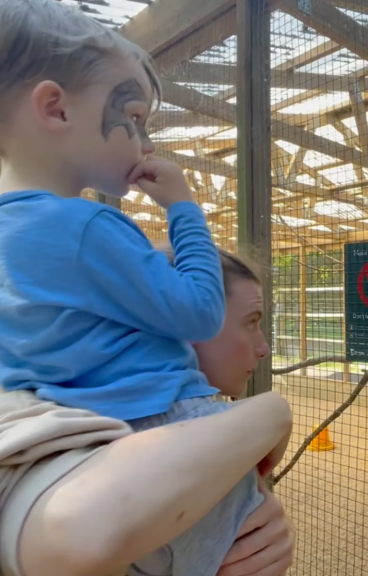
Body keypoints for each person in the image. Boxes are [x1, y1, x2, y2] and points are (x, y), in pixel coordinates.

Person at [0, 1, 291, 575]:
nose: (144, 142)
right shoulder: (87, 225)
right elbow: (202, 311)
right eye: (133, 117)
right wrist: (184, 209)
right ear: (55, 109)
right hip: (167, 420)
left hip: (80, 443)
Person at [0, 247, 295, 576]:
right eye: (251, 323)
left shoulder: (58, 410)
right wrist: (273, 412)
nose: (263, 347)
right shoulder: (206, 446)